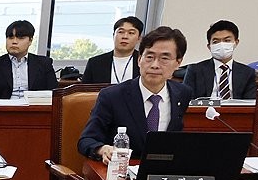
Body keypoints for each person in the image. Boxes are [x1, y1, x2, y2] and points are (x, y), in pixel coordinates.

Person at [79, 26, 193, 163]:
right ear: (139, 59)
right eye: (149, 57)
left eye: (164, 58)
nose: (155, 65)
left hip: (163, 172)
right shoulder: (112, 96)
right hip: (123, 172)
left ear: (178, 62)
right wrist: (102, 149)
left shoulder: (182, 93)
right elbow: (86, 140)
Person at [0, 20, 58, 99]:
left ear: (30, 41)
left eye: (20, 38)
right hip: (3, 110)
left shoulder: (44, 63)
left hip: (34, 110)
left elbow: (54, 95)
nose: (14, 42)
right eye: (10, 37)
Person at [182, 20, 257, 100]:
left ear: (236, 42)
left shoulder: (247, 73)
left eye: (227, 40)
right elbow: (187, 101)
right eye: (216, 42)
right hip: (205, 111)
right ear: (209, 46)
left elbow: (250, 103)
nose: (221, 45)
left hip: (235, 111)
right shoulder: (195, 70)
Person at [81, 16, 143, 84]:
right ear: (113, 35)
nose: (125, 36)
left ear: (139, 39)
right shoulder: (95, 63)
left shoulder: (145, 62)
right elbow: (84, 91)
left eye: (131, 33)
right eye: (121, 32)